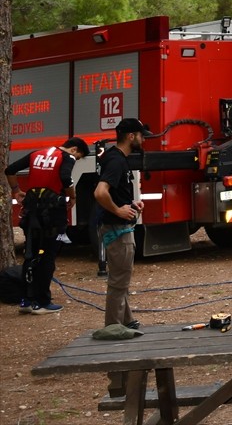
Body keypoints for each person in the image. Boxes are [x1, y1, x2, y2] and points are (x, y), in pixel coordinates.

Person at [5, 136, 86, 313]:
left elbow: (10, 169)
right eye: (78, 156)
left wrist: (16, 190)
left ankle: (26, 300)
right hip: (51, 216)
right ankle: (42, 302)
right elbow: (66, 178)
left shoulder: (37, 154)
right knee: (47, 256)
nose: (76, 159)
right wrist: (72, 196)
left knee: (31, 254)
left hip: (31, 213)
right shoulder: (67, 157)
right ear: (74, 150)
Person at [94, 119, 150, 329]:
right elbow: (100, 193)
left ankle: (127, 320)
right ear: (131, 136)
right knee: (119, 280)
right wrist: (118, 210)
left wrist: (129, 204)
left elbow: (112, 192)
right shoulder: (116, 160)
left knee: (122, 277)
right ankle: (114, 327)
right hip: (117, 230)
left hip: (118, 227)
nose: (143, 139)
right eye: (141, 135)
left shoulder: (115, 158)